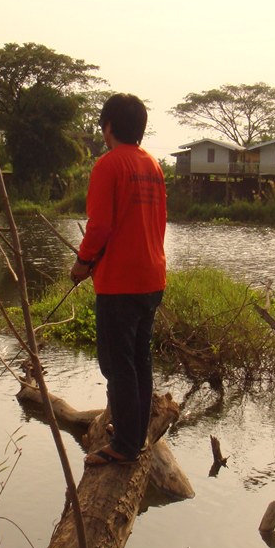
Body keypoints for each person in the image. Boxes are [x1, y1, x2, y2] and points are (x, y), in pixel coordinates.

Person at [70, 93, 166, 465]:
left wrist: (81, 264)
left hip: (120, 283)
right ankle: (134, 433)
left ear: (108, 126)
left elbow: (101, 226)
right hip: (152, 278)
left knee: (117, 364)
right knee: (139, 360)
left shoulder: (108, 166)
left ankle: (126, 447)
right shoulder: (153, 166)